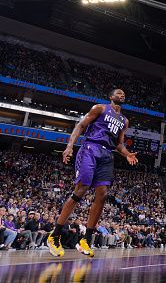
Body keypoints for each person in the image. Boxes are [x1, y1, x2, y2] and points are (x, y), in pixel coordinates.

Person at [47, 89, 138, 258]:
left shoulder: (124, 121)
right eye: (118, 93)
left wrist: (127, 154)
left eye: (124, 94)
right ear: (111, 97)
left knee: (102, 194)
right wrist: (69, 146)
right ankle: (55, 235)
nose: (122, 95)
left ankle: (86, 240)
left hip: (107, 154)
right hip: (91, 148)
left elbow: (119, 144)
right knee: (81, 189)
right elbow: (80, 126)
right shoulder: (100, 109)